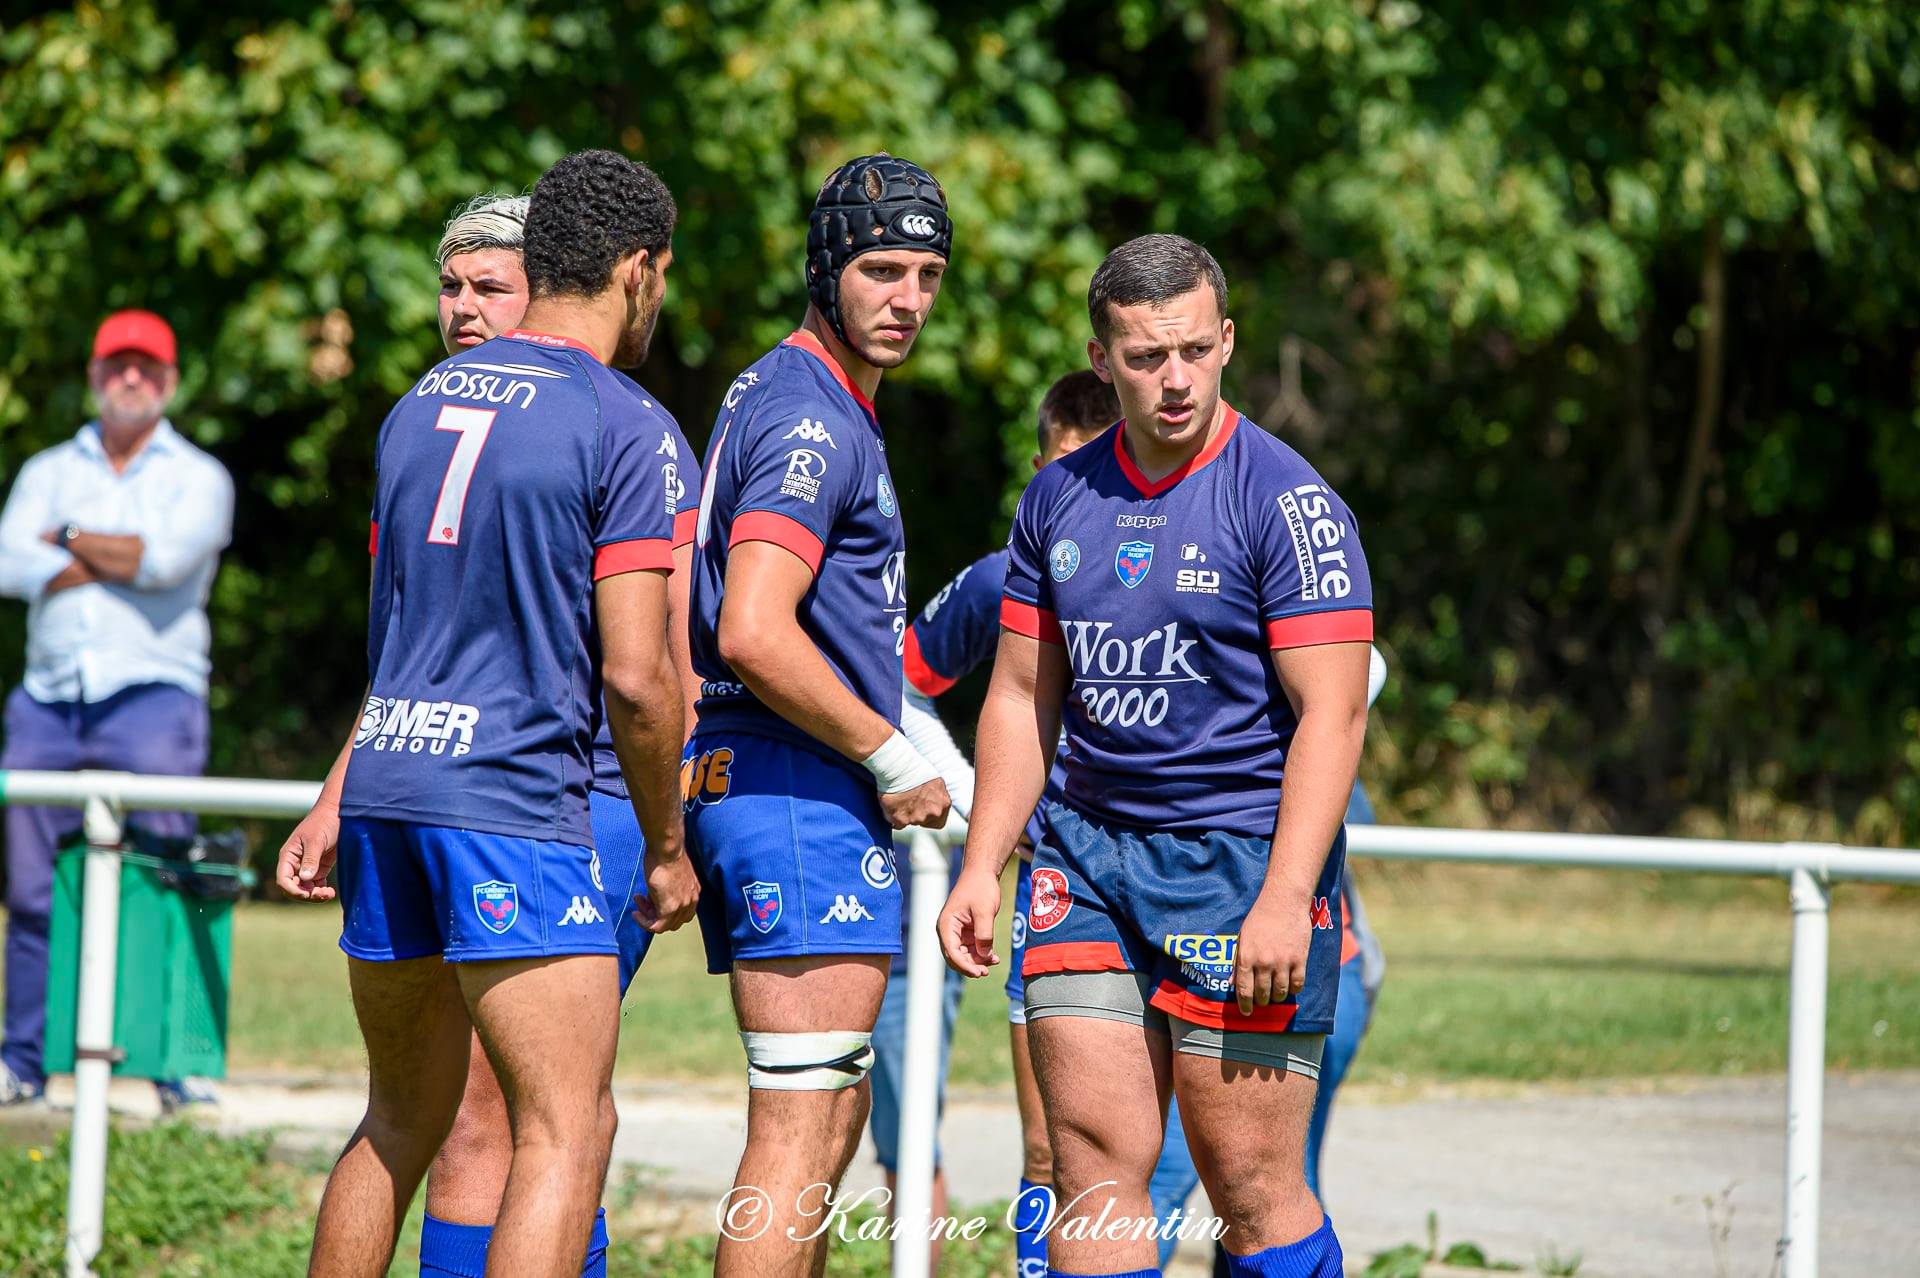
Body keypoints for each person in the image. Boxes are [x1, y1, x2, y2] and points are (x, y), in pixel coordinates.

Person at [275, 150, 698, 1278]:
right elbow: (642, 677)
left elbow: (397, 635)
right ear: (636, 270)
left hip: (392, 790)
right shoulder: (627, 421)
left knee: (397, 1121)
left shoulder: (417, 405)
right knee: (567, 1127)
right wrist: (665, 843)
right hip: (513, 802)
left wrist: (339, 790)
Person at [941, 233, 1372, 1278]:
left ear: (1227, 341)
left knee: (1252, 1188)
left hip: (1237, 866)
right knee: (1087, 1168)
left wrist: (1284, 894)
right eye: (1143, 357)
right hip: (1084, 862)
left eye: (1191, 350)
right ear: (1102, 360)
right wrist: (980, 862)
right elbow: (1019, 696)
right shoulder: (1056, 500)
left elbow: (1335, 716)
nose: (1172, 379)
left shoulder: (1289, 503)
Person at [682, 152, 954, 1278]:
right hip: (791, 787)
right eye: (883, 269)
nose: (909, 300)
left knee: (828, 1124)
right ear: (825, 264)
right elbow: (752, 627)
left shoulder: (790, 389)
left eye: (930, 275)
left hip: (777, 782)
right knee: (798, 1138)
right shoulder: (813, 419)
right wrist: (891, 753)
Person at [874, 369, 1200, 1278]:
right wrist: (983, 802)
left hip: (1196, 883)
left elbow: (1346, 674)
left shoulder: (1211, 539)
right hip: (1060, 885)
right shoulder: (1002, 578)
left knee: (1204, 1149)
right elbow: (902, 681)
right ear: (1038, 466)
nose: (1088, 485)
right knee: (1058, 1148)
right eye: (1068, 465)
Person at [0, 309, 234, 1111]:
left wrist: (64, 539)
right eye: (116, 366)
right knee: (30, 892)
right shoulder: (45, 464)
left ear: (168, 383)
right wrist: (115, 556)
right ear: (96, 377)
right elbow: (6, 562)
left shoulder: (200, 476)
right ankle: (23, 1060)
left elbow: (166, 560)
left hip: (154, 698)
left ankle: (177, 1064)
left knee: (170, 873)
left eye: (146, 368)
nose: (130, 379)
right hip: (48, 699)